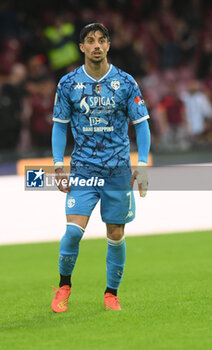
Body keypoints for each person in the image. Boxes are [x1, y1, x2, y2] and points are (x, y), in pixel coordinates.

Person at [51, 23, 151, 312]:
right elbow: (60, 127)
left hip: (117, 170)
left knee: (116, 235)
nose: (96, 45)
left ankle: (111, 294)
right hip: (82, 169)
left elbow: (142, 125)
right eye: (90, 41)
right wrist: (58, 165)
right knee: (72, 231)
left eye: (102, 40)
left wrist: (141, 165)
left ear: (108, 46)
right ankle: (64, 286)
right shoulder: (68, 84)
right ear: (82, 47)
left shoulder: (125, 82)